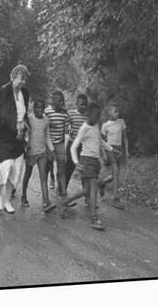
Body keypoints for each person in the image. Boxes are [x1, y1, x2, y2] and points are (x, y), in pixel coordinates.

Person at [59, 102, 113, 230]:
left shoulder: (96, 126)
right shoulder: (84, 128)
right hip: (86, 160)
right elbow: (73, 147)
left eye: (99, 115)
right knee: (93, 189)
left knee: (87, 190)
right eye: (95, 115)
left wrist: (111, 149)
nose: (97, 118)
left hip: (95, 161)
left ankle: (64, 202)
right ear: (87, 114)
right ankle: (94, 218)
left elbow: (100, 141)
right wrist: (77, 163)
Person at [0, 64, 30, 213]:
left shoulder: (25, 93)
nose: (23, 83)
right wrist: (14, 128)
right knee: (5, 166)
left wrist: (24, 127)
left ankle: (7, 199)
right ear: (13, 77)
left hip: (19, 137)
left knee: (16, 170)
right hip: (4, 135)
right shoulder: (3, 92)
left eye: (25, 80)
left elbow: (24, 114)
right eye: (21, 79)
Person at [20, 99, 56, 212]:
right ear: (34, 108)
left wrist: (52, 149)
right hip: (31, 153)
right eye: (38, 108)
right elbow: (24, 134)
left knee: (43, 176)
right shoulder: (29, 119)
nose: (40, 110)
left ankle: (46, 201)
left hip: (42, 153)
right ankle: (24, 196)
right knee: (28, 174)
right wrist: (25, 145)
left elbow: (48, 136)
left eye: (42, 108)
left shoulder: (46, 120)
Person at [99, 104, 130, 210]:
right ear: (109, 113)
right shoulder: (105, 125)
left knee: (115, 175)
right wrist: (103, 153)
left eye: (118, 111)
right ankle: (116, 199)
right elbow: (102, 141)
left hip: (119, 149)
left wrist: (127, 151)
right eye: (115, 111)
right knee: (116, 173)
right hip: (110, 149)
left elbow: (125, 138)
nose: (117, 113)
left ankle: (102, 183)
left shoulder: (121, 122)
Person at [44, 90, 70, 197]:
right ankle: (51, 179)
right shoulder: (47, 112)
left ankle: (63, 193)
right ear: (53, 101)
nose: (62, 103)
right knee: (48, 164)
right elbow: (43, 127)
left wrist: (65, 146)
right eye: (59, 101)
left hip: (59, 143)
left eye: (63, 101)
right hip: (48, 143)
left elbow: (66, 131)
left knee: (62, 168)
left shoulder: (64, 114)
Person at [65, 94, 88, 192]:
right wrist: (68, 129)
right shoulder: (71, 113)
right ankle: (63, 190)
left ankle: (86, 194)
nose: (84, 107)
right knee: (69, 168)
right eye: (81, 104)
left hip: (84, 146)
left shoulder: (88, 116)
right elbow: (66, 125)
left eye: (85, 105)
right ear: (76, 104)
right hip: (72, 144)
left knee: (85, 169)